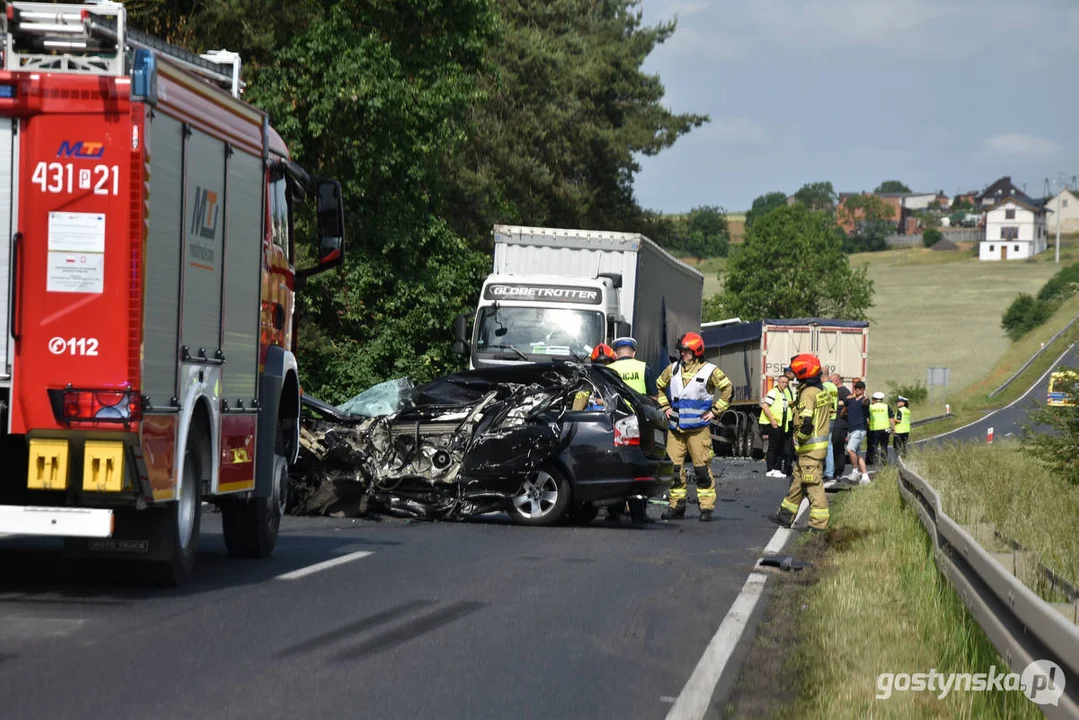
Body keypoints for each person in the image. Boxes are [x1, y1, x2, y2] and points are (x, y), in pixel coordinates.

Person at [655, 332, 733, 522]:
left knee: (701, 470)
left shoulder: (709, 371)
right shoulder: (673, 369)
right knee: (674, 469)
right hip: (676, 429)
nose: (683, 354)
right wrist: (665, 406)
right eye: (682, 351)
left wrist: (715, 412)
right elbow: (658, 386)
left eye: (687, 351)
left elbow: (728, 390)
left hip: (698, 429)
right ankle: (676, 506)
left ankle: (706, 508)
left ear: (696, 352)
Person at [772, 353, 831, 531]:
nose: (795, 377)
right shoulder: (822, 391)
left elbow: (806, 424)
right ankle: (785, 515)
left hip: (810, 449)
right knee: (798, 481)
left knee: (813, 485)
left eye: (797, 374)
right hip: (816, 449)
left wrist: (798, 440)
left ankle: (818, 524)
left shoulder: (807, 393)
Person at [759, 376, 791, 478]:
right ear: (778, 382)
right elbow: (765, 406)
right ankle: (770, 469)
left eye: (786, 382)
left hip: (781, 424)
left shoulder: (785, 393)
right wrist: (772, 419)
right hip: (772, 423)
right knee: (773, 446)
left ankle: (777, 469)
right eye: (782, 382)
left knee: (779, 447)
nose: (784, 384)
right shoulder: (773, 392)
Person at [842, 381, 871, 485]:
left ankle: (854, 471)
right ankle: (865, 476)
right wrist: (843, 413)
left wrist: (866, 399)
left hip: (859, 429)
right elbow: (843, 406)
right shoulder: (851, 400)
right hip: (851, 430)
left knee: (850, 449)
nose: (857, 389)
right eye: (856, 388)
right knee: (857, 454)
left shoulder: (864, 400)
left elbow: (866, 403)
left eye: (860, 388)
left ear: (863, 389)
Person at [572, 344, 616, 410]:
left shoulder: (617, 379)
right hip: (593, 417)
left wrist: (602, 402)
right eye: (599, 362)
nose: (603, 365)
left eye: (606, 362)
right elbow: (576, 409)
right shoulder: (589, 382)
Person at [830, 374, 850, 480]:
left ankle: (838, 470)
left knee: (838, 447)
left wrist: (842, 410)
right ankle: (834, 470)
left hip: (840, 424)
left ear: (837, 381)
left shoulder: (843, 391)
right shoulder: (837, 391)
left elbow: (849, 403)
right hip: (836, 423)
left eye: (831, 381)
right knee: (833, 447)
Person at [866, 391, 893, 466]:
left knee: (874, 445)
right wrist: (893, 428)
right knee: (884, 445)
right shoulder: (886, 406)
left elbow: (867, 418)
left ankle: (874, 461)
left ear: (874, 399)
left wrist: (869, 426)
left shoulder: (870, 407)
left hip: (874, 429)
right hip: (885, 429)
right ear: (882, 399)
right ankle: (884, 461)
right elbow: (891, 418)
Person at [820, 373, 839, 481]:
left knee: (823, 445)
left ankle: (827, 471)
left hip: (825, 418)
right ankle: (829, 471)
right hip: (833, 417)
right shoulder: (834, 387)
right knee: (829, 445)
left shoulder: (824, 387)